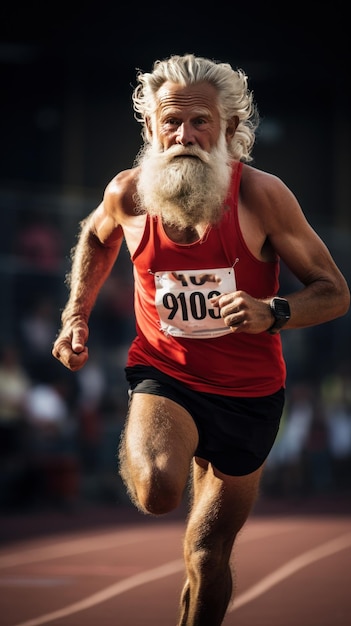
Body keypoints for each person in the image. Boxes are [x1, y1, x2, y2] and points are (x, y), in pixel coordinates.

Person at [52, 54, 350, 625]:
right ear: (150, 128)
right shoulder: (129, 194)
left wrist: (274, 311)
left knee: (207, 556)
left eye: (200, 122)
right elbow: (96, 237)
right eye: (171, 122)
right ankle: (181, 444)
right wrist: (76, 314)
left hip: (250, 394)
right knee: (160, 490)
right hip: (168, 374)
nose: (184, 135)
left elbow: (334, 291)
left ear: (229, 130)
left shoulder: (262, 197)